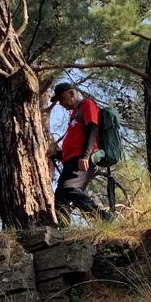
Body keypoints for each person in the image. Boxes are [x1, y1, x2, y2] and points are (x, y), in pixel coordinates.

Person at [50, 81, 108, 223]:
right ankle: (63, 233)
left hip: (81, 159)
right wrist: (57, 154)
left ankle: (104, 217)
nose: (61, 103)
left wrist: (85, 155)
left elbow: (92, 127)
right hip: (71, 161)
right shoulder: (74, 114)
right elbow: (76, 141)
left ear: (72, 93)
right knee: (59, 199)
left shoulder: (87, 104)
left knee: (69, 188)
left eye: (62, 98)